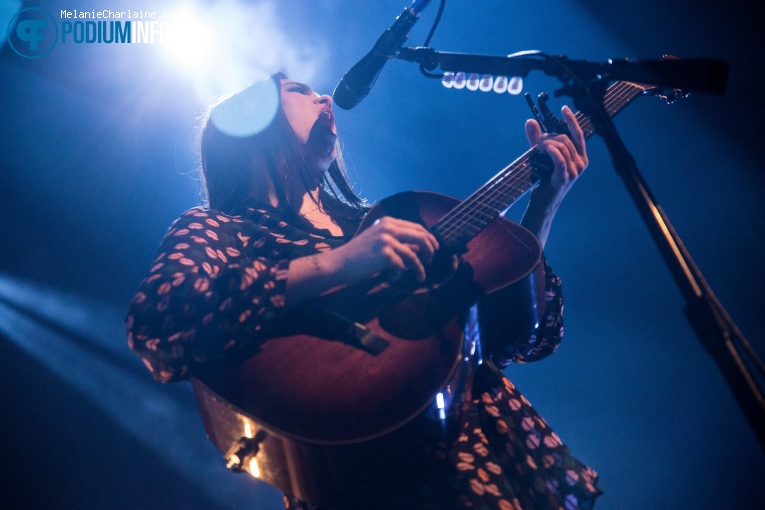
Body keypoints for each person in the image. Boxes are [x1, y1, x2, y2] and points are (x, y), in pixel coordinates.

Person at [126, 71, 602, 510]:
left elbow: (521, 333)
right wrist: (339, 264)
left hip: (481, 445)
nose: (325, 96)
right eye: (297, 91)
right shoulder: (221, 230)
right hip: (358, 476)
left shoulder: (375, 226)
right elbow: (162, 317)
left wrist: (544, 203)